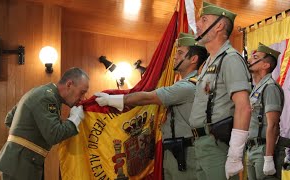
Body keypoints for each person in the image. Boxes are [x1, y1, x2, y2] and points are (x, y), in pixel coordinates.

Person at [95, 33, 208, 180]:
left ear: (194, 59)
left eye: (180, 53)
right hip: (177, 150)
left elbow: (148, 97)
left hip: (186, 153)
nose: (175, 56)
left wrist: (111, 100)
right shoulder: (187, 83)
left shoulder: (188, 86)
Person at [189, 2, 252, 180]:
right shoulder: (209, 62)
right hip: (202, 143)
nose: (198, 25)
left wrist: (235, 154)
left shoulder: (231, 59)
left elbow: (243, 107)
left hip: (217, 145)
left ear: (219, 26)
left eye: (204, 19)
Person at [0, 67, 89, 180]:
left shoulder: (41, 92)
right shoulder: (47, 97)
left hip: (20, 163)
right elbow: (54, 135)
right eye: (82, 92)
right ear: (69, 84)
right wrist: (75, 119)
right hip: (22, 165)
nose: (82, 98)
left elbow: (9, 119)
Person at [246, 43, 284, 180]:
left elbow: (272, 125)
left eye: (255, 57)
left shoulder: (270, 88)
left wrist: (268, 158)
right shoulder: (257, 88)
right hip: (252, 149)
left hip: (264, 150)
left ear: (265, 65)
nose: (249, 60)